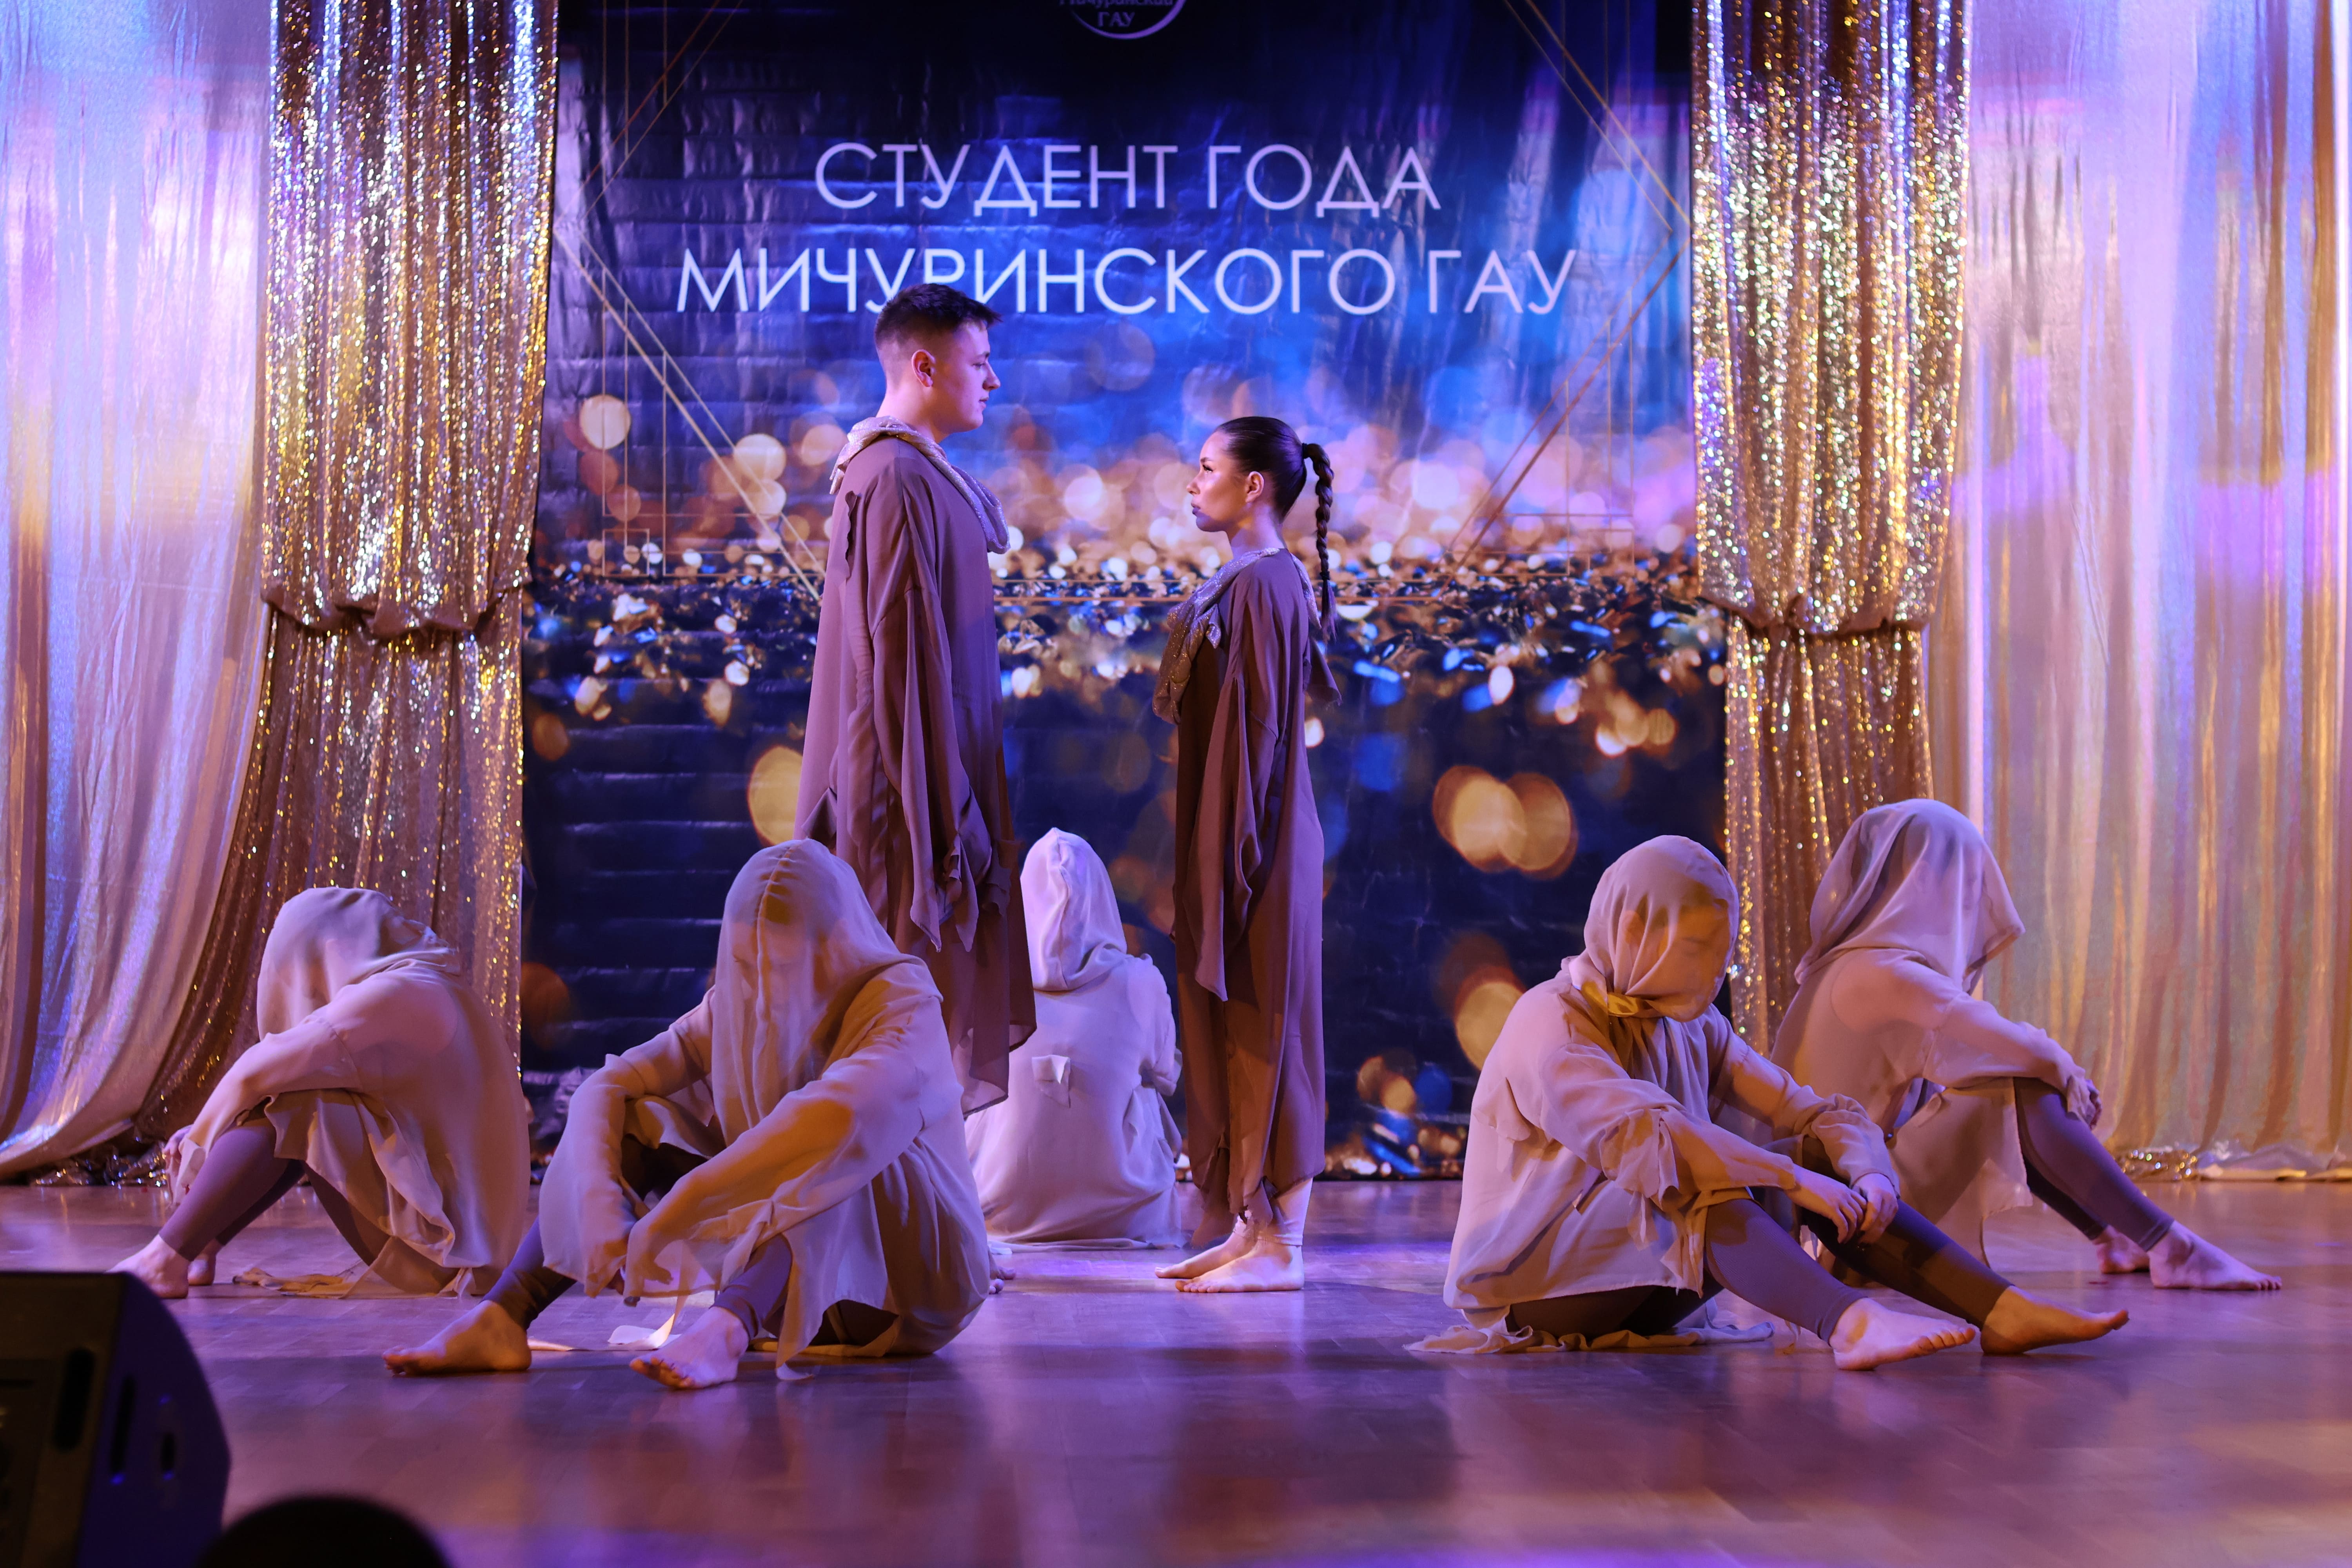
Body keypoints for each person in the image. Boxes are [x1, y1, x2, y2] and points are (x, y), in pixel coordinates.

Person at [1429, 837, 2131, 1368]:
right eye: (1696, 947)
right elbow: (1656, 1144)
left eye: (1722, 949)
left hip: (1641, 1267)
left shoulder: (1693, 1024)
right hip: (1538, 1286)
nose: (1714, 969)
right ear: (1638, 932)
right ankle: (1850, 1324)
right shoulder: (1551, 1024)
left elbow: (1813, 1111)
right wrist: (1794, 1182)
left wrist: (1865, 1172)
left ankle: (1997, 1308)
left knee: (1810, 1156)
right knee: (1704, 1182)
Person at [383, 841, 993, 1390]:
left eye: (781, 969)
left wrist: (683, 1207)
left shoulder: (902, 1003)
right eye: (746, 969)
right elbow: (612, 1084)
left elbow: (837, 1119)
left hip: (907, 1292)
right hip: (789, 1286)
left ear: (832, 948)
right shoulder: (739, 1003)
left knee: (840, 1148)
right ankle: (503, 1314)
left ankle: (725, 1329)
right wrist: (599, 1198)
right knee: (641, 1115)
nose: (760, 991)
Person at [1773, 798, 2281, 1290]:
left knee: (2001, 1088)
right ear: (1923, 882)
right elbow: (2020, 1052)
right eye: (1964, 882)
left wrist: (2054, 1069)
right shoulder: (1883, 973)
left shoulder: (1854, 966)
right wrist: (2066, 1072)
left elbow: (1986, 1057)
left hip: (1853, 1215)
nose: (1969, 901)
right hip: (1858, 1227)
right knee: (2017, 1089)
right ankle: (2171, 1247)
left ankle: (2113, 1238)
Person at [797, 283, 1033, 1115]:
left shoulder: (906, 471)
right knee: (900, 1031)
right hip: (906, 807)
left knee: (910, 1038)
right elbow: (897, 671)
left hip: (922, 790)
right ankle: (901, 1204)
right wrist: (944, 823)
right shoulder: (895, 476)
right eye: (980, 362)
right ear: (926, 367)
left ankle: (916, 1201)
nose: (993, 381)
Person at [112, 890, 528, 1299]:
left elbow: (258, 1072)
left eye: (307, 973)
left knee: (297, 1105)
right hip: (458, 1236)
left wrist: (202, 1139)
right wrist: (213, 1130)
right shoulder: (427, 980)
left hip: (452, 1256)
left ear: (332, 948)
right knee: (302, 1096)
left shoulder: (399, 991)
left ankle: (164, 1259)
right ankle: (199, 1246)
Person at [1151, 416, 1338, 1294]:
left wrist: (1235, 856)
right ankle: (1252, 1224)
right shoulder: (1248, 579)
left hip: (1255, 837)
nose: (1194, 483)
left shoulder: (1264, 583)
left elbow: (1260, 734)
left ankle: (1283, 1242)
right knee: (1238, 1023)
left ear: (1253, 485)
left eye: (1207, 468)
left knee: (1271, 1025)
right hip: (1233, 830)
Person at [965, 830, 1183, 1246]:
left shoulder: (993, 981)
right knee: (1145, 1085)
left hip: (1002, 1212)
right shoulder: (1141, 982)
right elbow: (1168, 1077)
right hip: (1126, 1214)